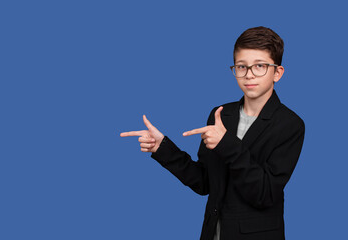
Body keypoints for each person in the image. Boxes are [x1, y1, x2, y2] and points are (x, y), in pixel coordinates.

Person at [120, 26, 305, 240]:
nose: (249, 74)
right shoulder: (221, 114)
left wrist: (225, 143)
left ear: (277, 73)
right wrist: (162, 148)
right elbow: (204, 182)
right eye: (241, 66)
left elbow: (265, 194)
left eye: (260, 66)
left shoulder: (290, 125)